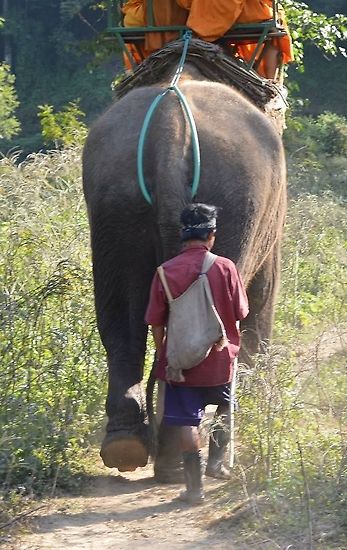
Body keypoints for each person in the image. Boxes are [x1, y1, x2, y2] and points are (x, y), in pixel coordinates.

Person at [145, 203, 248, 505]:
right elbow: (241, 311)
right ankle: (217, 463)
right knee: (223, 409)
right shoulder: (226, 268)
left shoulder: (164, 272)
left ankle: (194, 490)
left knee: (188, 422)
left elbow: (155, 322)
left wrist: (165, 354)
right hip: (220, 360)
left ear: (182, 234)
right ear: (212, 235)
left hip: (181, 363)